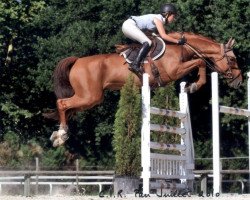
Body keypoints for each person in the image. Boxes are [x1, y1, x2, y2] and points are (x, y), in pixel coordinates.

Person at [122, 3, 186, 74]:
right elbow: (163, 35)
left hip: (128, 25)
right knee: (148, 42)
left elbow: (153, 33)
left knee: (146, 41)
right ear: (168, 14)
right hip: (130, 25)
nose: (173, 19)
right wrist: (177, 41)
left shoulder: (157, 18)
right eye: (173, 16)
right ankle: (135, 64)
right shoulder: (158, 19)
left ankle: (139, 61)